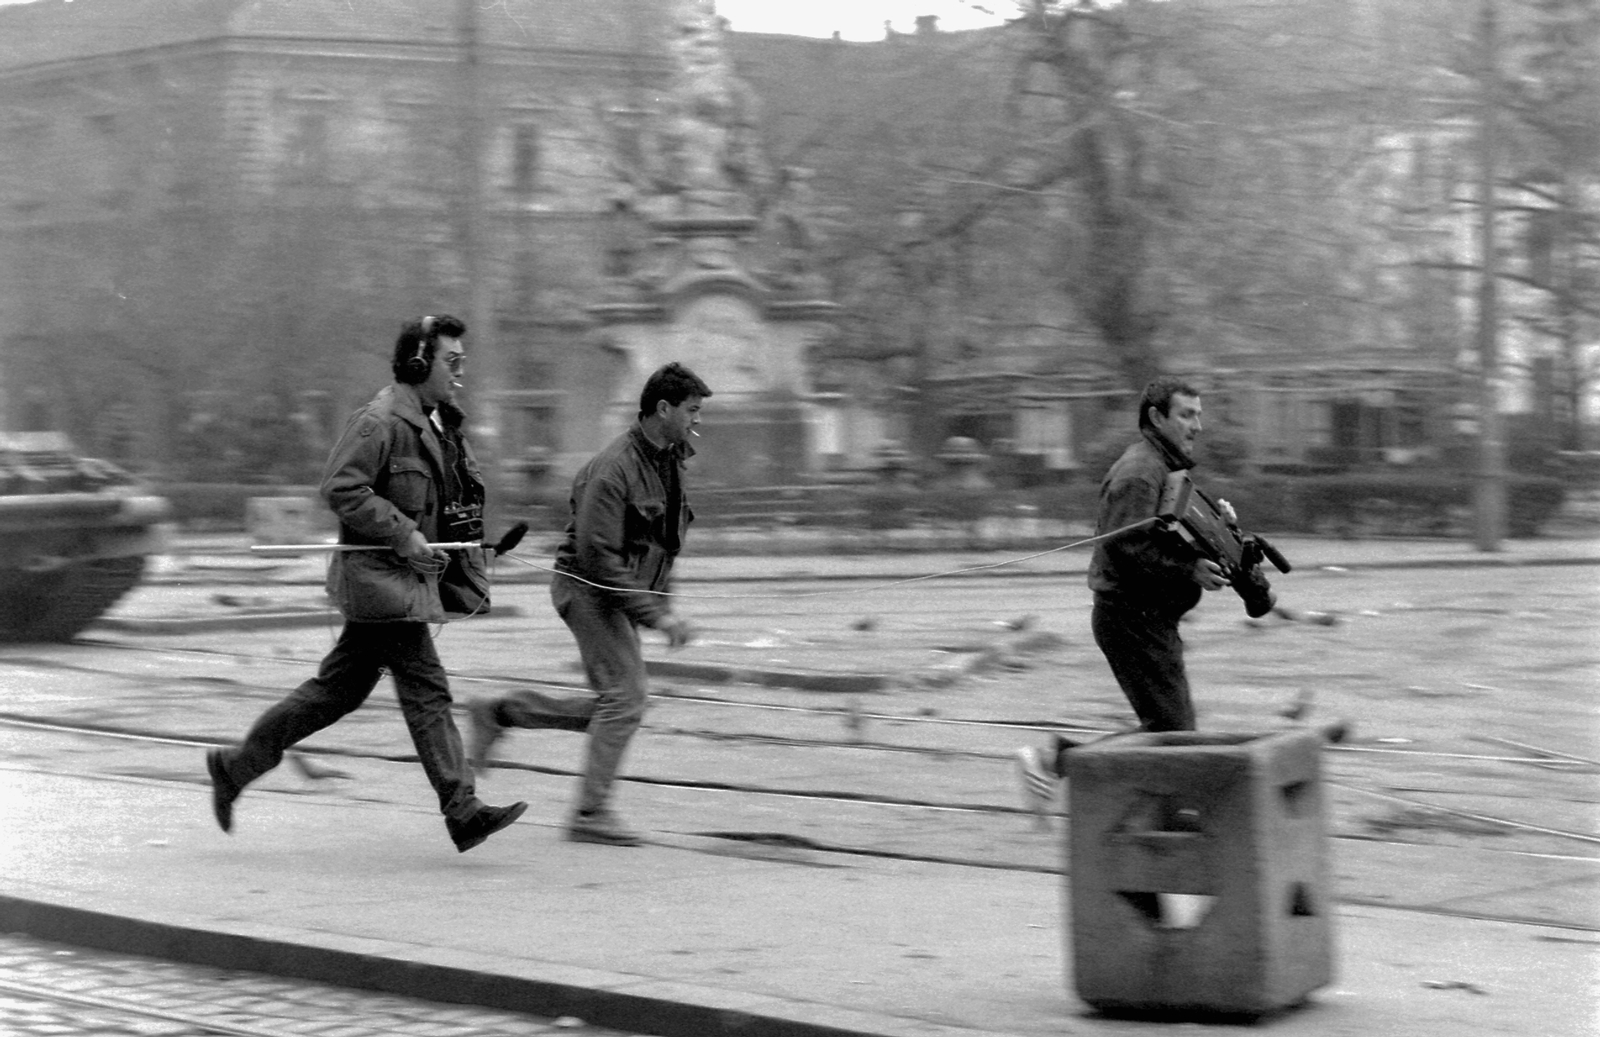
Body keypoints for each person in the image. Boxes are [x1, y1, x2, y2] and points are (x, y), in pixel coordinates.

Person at [205, 315, 527, 853]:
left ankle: (235, 767)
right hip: (380, 585)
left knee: (336, 693)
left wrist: (470, 543)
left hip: (402, 583)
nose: (459, 373)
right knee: (426, 689)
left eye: (462, 362)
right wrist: (402, 533)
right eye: (451, 361)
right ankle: (463, 810)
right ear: (419, 363)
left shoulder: (434, 424)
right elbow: (341, 488)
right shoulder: (379, 422)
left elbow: (443, 503)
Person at [466, 362, 711, 847]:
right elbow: (598, 559)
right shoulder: (614, 469)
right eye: (692, 410)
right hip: (587, 591)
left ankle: (500, 712)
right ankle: (590, 813)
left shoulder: (669, 459)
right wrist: (657, 616)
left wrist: (663, 607)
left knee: (618, 702)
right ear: (663, 409)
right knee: (626, 699)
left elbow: (664, 543)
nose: (697, 419)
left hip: (619, 594)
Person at [1015, 377, 1241, 807]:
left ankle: (1065, 764)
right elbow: (1128, 548)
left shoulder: (1163, 468)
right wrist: (1190, 569)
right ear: (1157, 417)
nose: (1197, 426)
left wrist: (1219, 531)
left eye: (1199, 415)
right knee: (1172, 734)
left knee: (1169, 732)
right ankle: (1055, 762)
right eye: (1186, 415)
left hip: (1148, 619)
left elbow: (1169, 537)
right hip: (1131, 619)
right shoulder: (1140, 473)